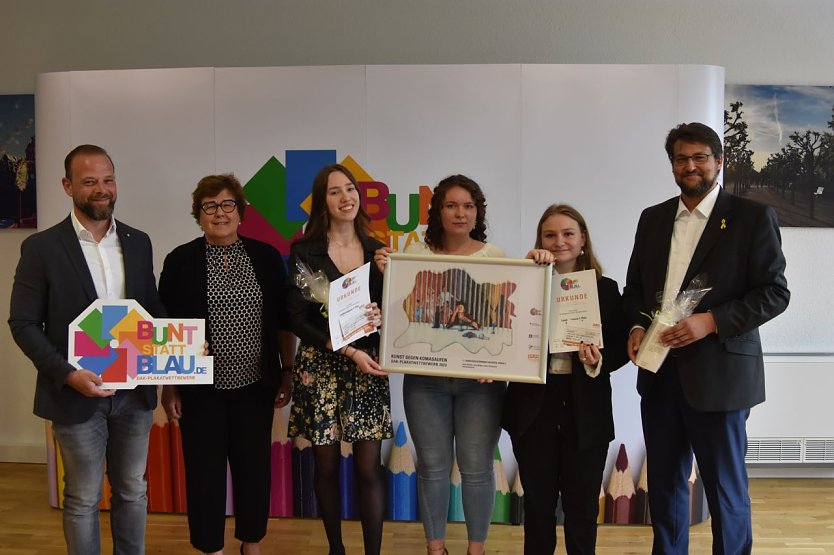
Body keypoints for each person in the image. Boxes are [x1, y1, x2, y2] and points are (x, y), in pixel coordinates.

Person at [623, 122, 790, 555]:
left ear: (719, 161)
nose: (691, 166)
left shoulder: (752, 217)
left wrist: (711, 321)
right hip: (659, 374)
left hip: (721, 375)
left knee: (725, 492)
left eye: (700, 157)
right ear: (672, 165)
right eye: (682, 158)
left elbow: (774, 293)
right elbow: (635, 291)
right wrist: (637, 327)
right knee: (664, 487)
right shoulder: (653, 218)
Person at [8, 144, 165, 554]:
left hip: (134, 394)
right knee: (82, 497)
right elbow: (22, 324)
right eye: (90, 181)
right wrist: (67, 374)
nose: (102, 189)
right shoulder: (41, 248)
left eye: (108, 180)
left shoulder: (138, 241)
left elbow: (150, 311)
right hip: (74, 395)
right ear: (67, 185)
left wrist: (178, 342)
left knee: (132, 489)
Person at [158, 174, 295, 555]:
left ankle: (251, 543)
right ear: (198, 214)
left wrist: (287, 369)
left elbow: (283, 320)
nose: (219, 213)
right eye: (210, 206)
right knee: (204, 474)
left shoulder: (266, 257)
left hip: (257, 385)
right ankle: (211, 548)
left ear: (241, 212)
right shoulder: (180, 260)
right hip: (201, 390)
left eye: (227, 205)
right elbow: (166, 327)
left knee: (254, 470)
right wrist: (169, 385)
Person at [376, 174, 506, 555]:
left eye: (468, 206)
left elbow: (501, 322)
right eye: (451, 205)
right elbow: (398, 310)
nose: (460, 213)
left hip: (480, 384)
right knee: (432, 468)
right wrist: (386, 273)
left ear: (477, 211)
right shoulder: (412, 256)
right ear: (437, 211)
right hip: (425, 381)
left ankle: (475, 550)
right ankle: (436, 548)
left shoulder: (496, 258)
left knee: (477, 469)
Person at [501, 204, 629, 554]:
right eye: (550, 235)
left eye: (568, 233)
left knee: (583, 510)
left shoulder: (605, 289)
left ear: (583, 239)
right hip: (533, 411)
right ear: (540, 240)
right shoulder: (523, 283)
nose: (560, 242)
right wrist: (527, 273)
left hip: (585, 412)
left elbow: (621, 346)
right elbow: (500, 338)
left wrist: (599, 360)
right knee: (538, 511)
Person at [287, 163, 392, 555]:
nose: (345, 197)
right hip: (322, 367)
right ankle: (336, 549)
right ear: (322, 202)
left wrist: (386, 282)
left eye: (350, 189)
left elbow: (388, 314)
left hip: (368, 367)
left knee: (368, 469)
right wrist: (347, 350)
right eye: (334, 191)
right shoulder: (305, 252)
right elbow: (297, 318)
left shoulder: (377, 250)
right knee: (326, 467)